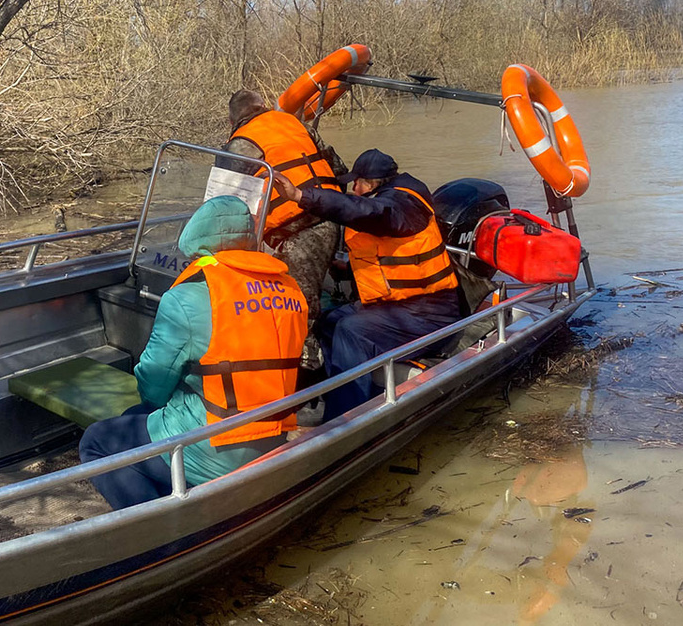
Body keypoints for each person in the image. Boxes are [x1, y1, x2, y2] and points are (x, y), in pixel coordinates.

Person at [78, 196, 308, 509]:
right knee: (136, 418)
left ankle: (158, 532)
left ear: (195, 240)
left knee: (97, 440)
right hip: (273, 434)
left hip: (214, 446)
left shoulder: (186, 298)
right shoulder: (291, 290)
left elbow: (153, 384)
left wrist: (159, 404)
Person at [273, 149, 462, 419]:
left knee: (353, 331)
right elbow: (392, 256)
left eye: (357, 182)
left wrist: (301, 197)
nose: (353, 188)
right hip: (399, 305)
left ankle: (345, 418)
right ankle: (324, 397)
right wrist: (348, 268)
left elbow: (365, 212)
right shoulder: (390, 202)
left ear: (372, 184)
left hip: (430, 313)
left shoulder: (400, 205)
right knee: (328, 322)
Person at [221, 89, 343, 375]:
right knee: (304, 301)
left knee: (299, 310)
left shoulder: (241, 142)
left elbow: (221, 201)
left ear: (232, 120)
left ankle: (308, 383)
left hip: (298, 232)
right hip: (331, 216)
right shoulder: (295, 124)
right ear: (262, 106)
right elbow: (336, 167)